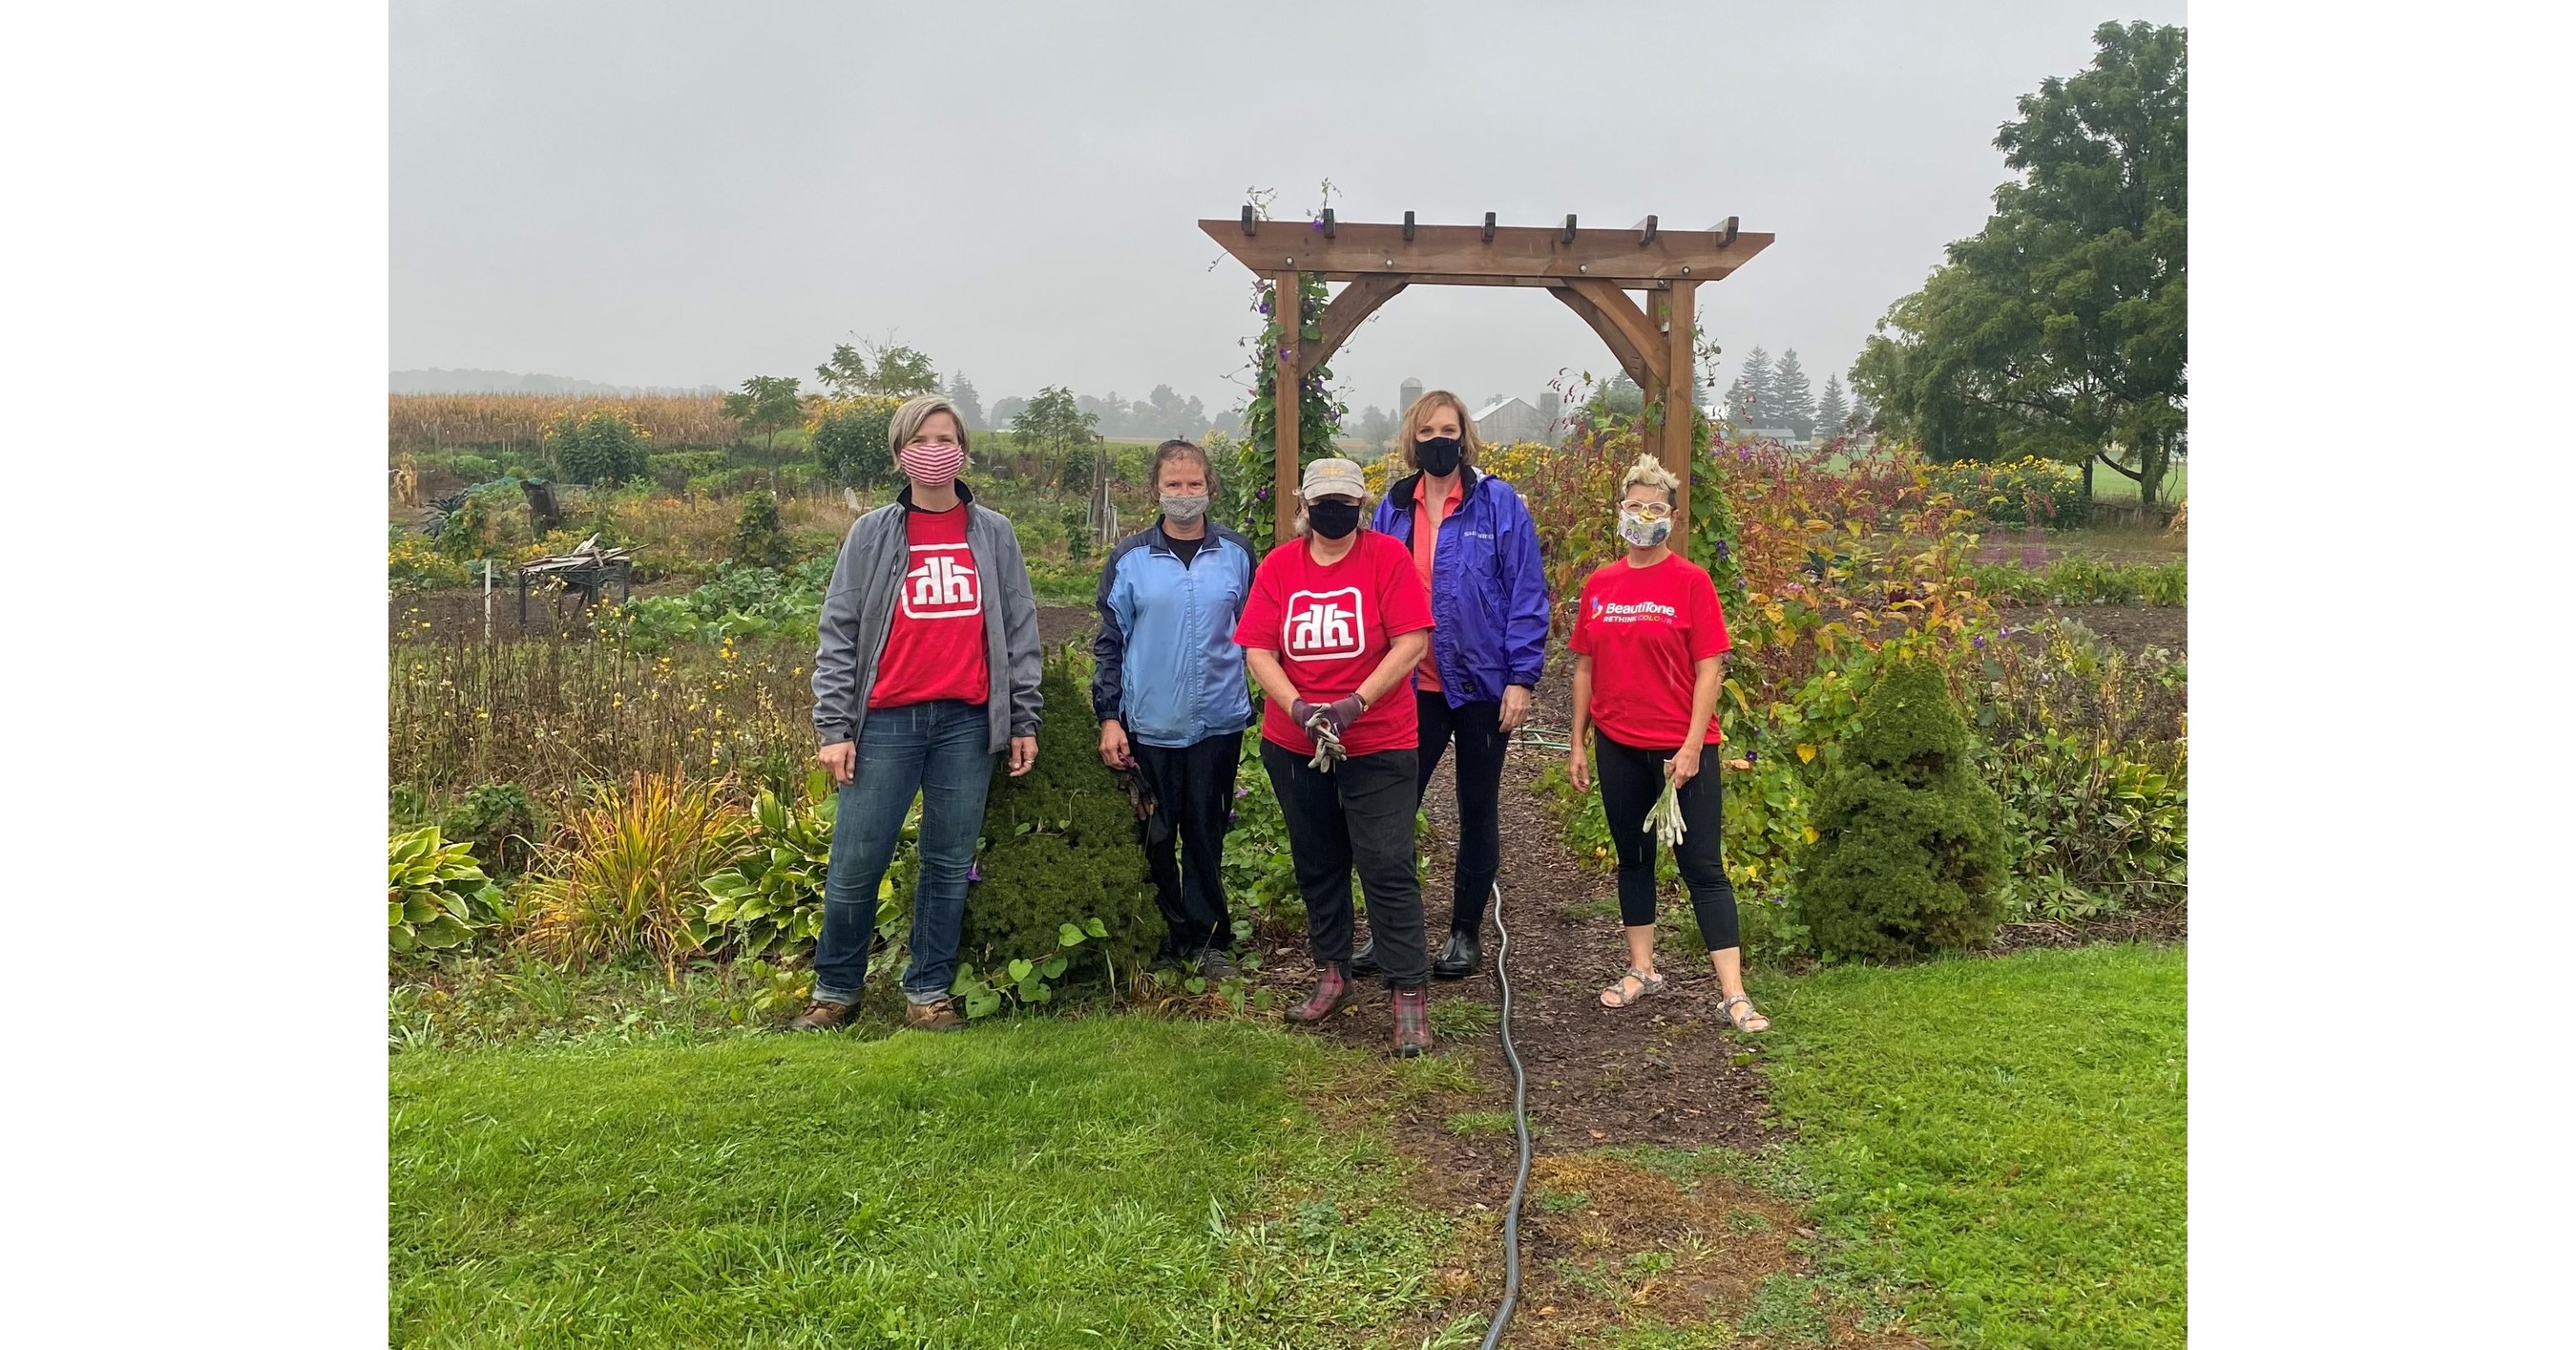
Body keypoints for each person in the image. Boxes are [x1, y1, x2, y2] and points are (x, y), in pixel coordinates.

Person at [792, 394, 1042, 1033]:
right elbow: (840, 629)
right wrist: (833, 728)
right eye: (922, 440)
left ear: (962, 449)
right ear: (900, 452)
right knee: (856, 860)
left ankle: (927, 991)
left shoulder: (993, 533)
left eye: (946, 438)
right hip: (885, 723)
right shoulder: (873, 533)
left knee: (946, 864)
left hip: (965, 722)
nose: (936, 451)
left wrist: (1022, 720)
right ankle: (835, 990)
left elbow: (1018, 630)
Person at [1235, 457, 1439, 1056]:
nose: (1333, 510)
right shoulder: (1280, 566)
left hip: (1377, 741)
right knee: (1318, 860)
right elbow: (1259, 649)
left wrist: (1355, 703)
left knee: (1386, 862)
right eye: (1322, 500)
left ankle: (1408, 991)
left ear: (1361, 505)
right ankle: (1332, 970)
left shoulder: (1386, 560)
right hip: (1296, 743)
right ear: (1305, 505)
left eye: (1344, 501)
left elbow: (1411, 642)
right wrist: (1299, 708)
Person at [1564, 454, 1770, 1033]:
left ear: (1673, 519)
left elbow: (1711, 668)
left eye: (1655, 507)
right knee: (1634, 859)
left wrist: (1688, 746)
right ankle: (1642, 969)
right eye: (1635, 506)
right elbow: (1584, 668)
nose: (1644, 515)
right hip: (1618, 744)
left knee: (1702, 866)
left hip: (1683, 751)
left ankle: (1733, 993)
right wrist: (1578, 743)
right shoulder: (1601, 585)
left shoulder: (1691, 582)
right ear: (1620, 513)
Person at [1354, 390, 1548, 981]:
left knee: (1477, 807)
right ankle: (1390, 930)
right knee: (1395, 809)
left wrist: (1521, 677)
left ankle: (1464, 933)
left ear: (1465, 436)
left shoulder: (1499, 505)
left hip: (1483, 684)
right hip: (1412, 687)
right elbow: (1372, 591)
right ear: (1412, 439)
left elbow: (1526, 592)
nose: (1440, 439)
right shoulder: (1392, 509)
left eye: (1450, 428)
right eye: (1428, 429)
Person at [1092, 439, 1259, 979]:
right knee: (1156, 834)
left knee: (1207, 831)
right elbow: (1111, 642)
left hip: (1218, 720)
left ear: (1211, 487)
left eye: (1193, 485)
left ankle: (1208, 938)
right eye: (1173, 486)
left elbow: (1258, 635)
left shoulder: (1236, 554)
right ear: (1156, 491)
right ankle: (1165, 935)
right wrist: (1109, 716)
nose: (1184, 495)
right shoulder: (1131, 559)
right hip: (1151, 723)